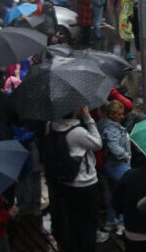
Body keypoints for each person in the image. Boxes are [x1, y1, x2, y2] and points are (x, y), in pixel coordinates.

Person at [46, 106, 103, 252]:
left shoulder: (51, 125)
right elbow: (97, 144)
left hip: (65, 181)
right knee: (89, 222)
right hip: (86, 182)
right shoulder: (77, 132)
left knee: (73, 219)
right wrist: (88, 118)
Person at [98, 101, 131, 231]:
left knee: (114, 194)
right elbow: (114, 147)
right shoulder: (111, 129)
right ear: (111, 114)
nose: (122, 116)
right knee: (125, 194)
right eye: (119, 114)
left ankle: (111, 220)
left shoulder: (103, 124)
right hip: (118, 165)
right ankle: (122, 224)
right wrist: (126, 156)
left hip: (110, 164)